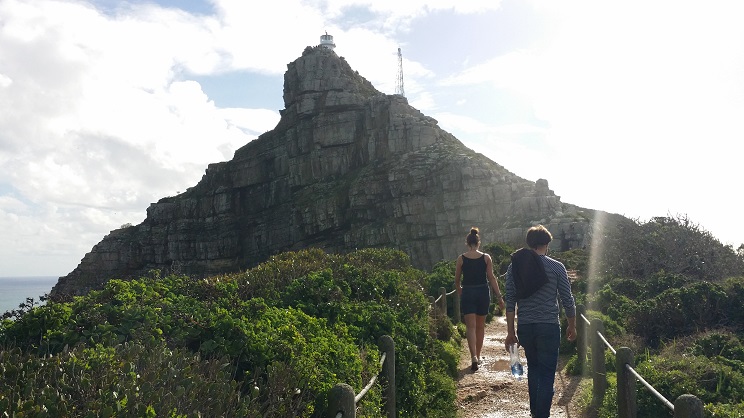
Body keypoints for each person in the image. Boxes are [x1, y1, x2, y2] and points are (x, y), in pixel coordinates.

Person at [504, 225, 576, 418]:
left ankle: (536, 413)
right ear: (547, 243)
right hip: (549, 327)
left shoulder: (515, 266)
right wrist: (572, 324)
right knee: (546, 374)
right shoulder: (556, 266)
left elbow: (510, 301)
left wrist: (510, 332)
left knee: (534, 370)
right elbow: (567, 299)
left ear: (529, 243)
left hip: (526, 327)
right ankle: (540, 415)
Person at [455, 227, 506, 372]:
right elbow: (491, 277)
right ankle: (478, 354)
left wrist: (460, 292)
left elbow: (457, 280)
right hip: (483, 292)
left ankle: (473, 357)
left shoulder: (461, 259)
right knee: (480, 326)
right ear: (478, 243)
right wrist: (499, 297)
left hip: (468, 292)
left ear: (467, 243)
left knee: (470, 327)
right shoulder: (486, 257)